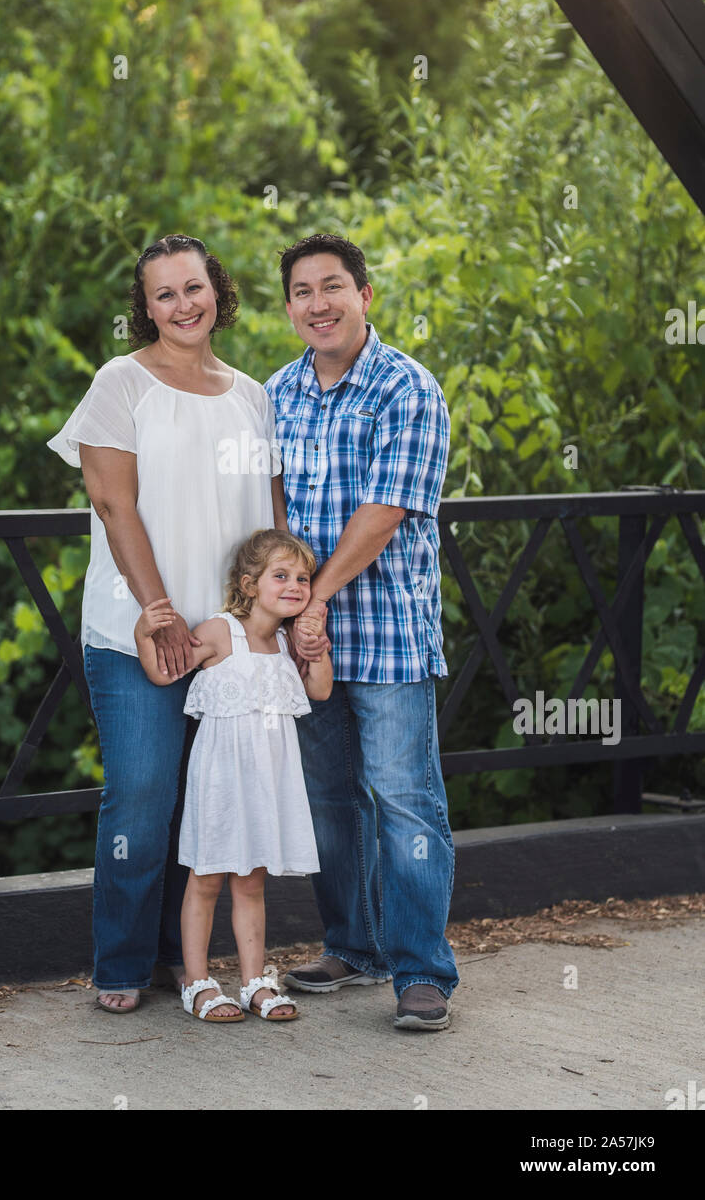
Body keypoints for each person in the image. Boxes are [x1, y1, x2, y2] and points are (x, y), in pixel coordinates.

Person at [46, 234, 313, 1014]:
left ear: (216, 291)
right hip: (139, 632)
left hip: (229, 645)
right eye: (163, 294)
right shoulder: (118, 384)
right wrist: (156, 610)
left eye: (192, 287)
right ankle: (123, 963)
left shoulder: (251, 394)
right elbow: (112, 502)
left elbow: (270, 521)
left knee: (205, 802)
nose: (182, 305)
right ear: (147, 307)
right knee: (142, 794)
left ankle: (180, 960)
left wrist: (273, 618)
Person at [264, 231, 459, 1030]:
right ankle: (352, 946)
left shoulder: (408, 389)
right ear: (288, 309)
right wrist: (287, 604)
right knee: (328, 800)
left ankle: (421, 973)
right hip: (304, 639)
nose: (319, 303)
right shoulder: (274, 392)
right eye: (303, 291)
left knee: (403, 799)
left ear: (364, 295)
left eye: (333, 286)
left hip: (385, 632)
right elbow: (270, 501)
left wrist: (314, 597)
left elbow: (381, 515)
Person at [133, 529, 333, 1022]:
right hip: (221, 778)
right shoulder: (222, 631)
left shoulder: (288, 642)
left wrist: (318, 646)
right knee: (205, 878)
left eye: (303, 579)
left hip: (267, 781)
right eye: (280, 576)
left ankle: (253, 983)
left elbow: (322, 690)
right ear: (248, 583)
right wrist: (143, 634)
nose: (295, 585)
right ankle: (198, 983)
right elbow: (164, 673)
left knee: (251, 881)